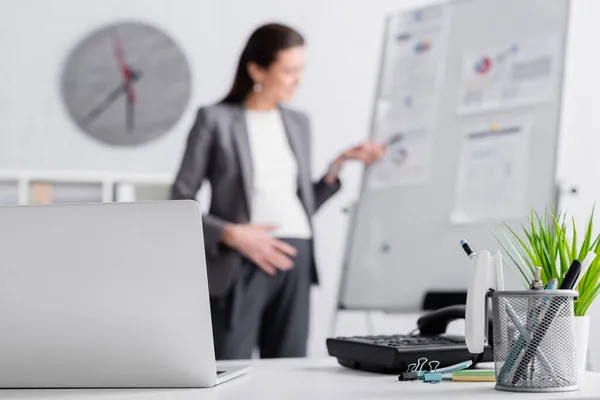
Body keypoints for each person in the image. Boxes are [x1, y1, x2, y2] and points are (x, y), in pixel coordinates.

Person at [171, 23, 386, 360]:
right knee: (230, 365)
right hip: (240, 260)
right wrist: (230, 234)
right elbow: (179, 199)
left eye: (300, 70)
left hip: (296, 257)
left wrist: (338, 166)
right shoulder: (214, 120)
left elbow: (297, 204)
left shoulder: (299, 122)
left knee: (289, 369)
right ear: (256, 69)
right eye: (288, 70)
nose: (297, 79)